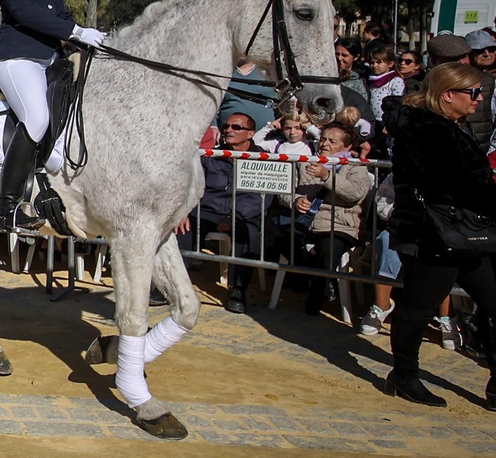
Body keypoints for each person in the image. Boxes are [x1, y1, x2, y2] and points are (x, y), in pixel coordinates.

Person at [0, 0, 105, 232]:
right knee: (37, 119)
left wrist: (83, 33)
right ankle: (7, 209)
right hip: (17, 55)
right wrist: (74, 31)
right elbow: (22, 11)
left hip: (50, 57)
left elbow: (60, 12)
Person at [382, 62, 496, 409]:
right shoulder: (428, 130)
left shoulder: (450, 125)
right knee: (417, 308)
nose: (479, 99)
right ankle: (403, 375)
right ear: (449, 95)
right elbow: (453, 183)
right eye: (473, 93)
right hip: (430, 233)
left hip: (465, 233)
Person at [177, 112, 271, 313]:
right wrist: (184, 210)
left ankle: (237, 290)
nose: (228, 130)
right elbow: (191, 185)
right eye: (226, 126)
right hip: (209, 210)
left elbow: (262, 197)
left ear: (250, 133)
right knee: (181, 229)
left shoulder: (263, 159)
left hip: (243, 214)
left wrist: (236, 216)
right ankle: (174, 286)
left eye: (236, 127)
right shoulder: (211, 156)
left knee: (248, 234)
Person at [277, 122, 372, 315]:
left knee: (329, 249)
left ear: (347, 147)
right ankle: (321, 279)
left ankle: (317, 292)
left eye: (332, 141)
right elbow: (283, 191)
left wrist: (327, 176)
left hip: (338, 224)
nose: (324, 144)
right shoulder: (305, 161)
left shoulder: (355, 167)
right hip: (305, 221)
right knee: (282, 239)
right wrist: (295, 200)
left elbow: (355, 193)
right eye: (322, 139)